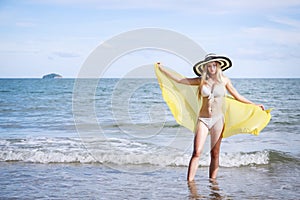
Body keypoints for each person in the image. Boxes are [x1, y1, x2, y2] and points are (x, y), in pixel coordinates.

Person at [157, 53, 264, 182]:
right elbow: (180, 80)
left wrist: (254, 105)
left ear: (218, 66)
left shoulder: (224, 80)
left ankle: (212, 183)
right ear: (206, 67)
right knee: (197, 152)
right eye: (209, 66)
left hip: (218, 120)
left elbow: (237, 96)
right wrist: (162, 69)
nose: (212, 68)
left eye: (214, 65)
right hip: (203, 119)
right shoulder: (201, 80)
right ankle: (189, 182)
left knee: (215, 153)